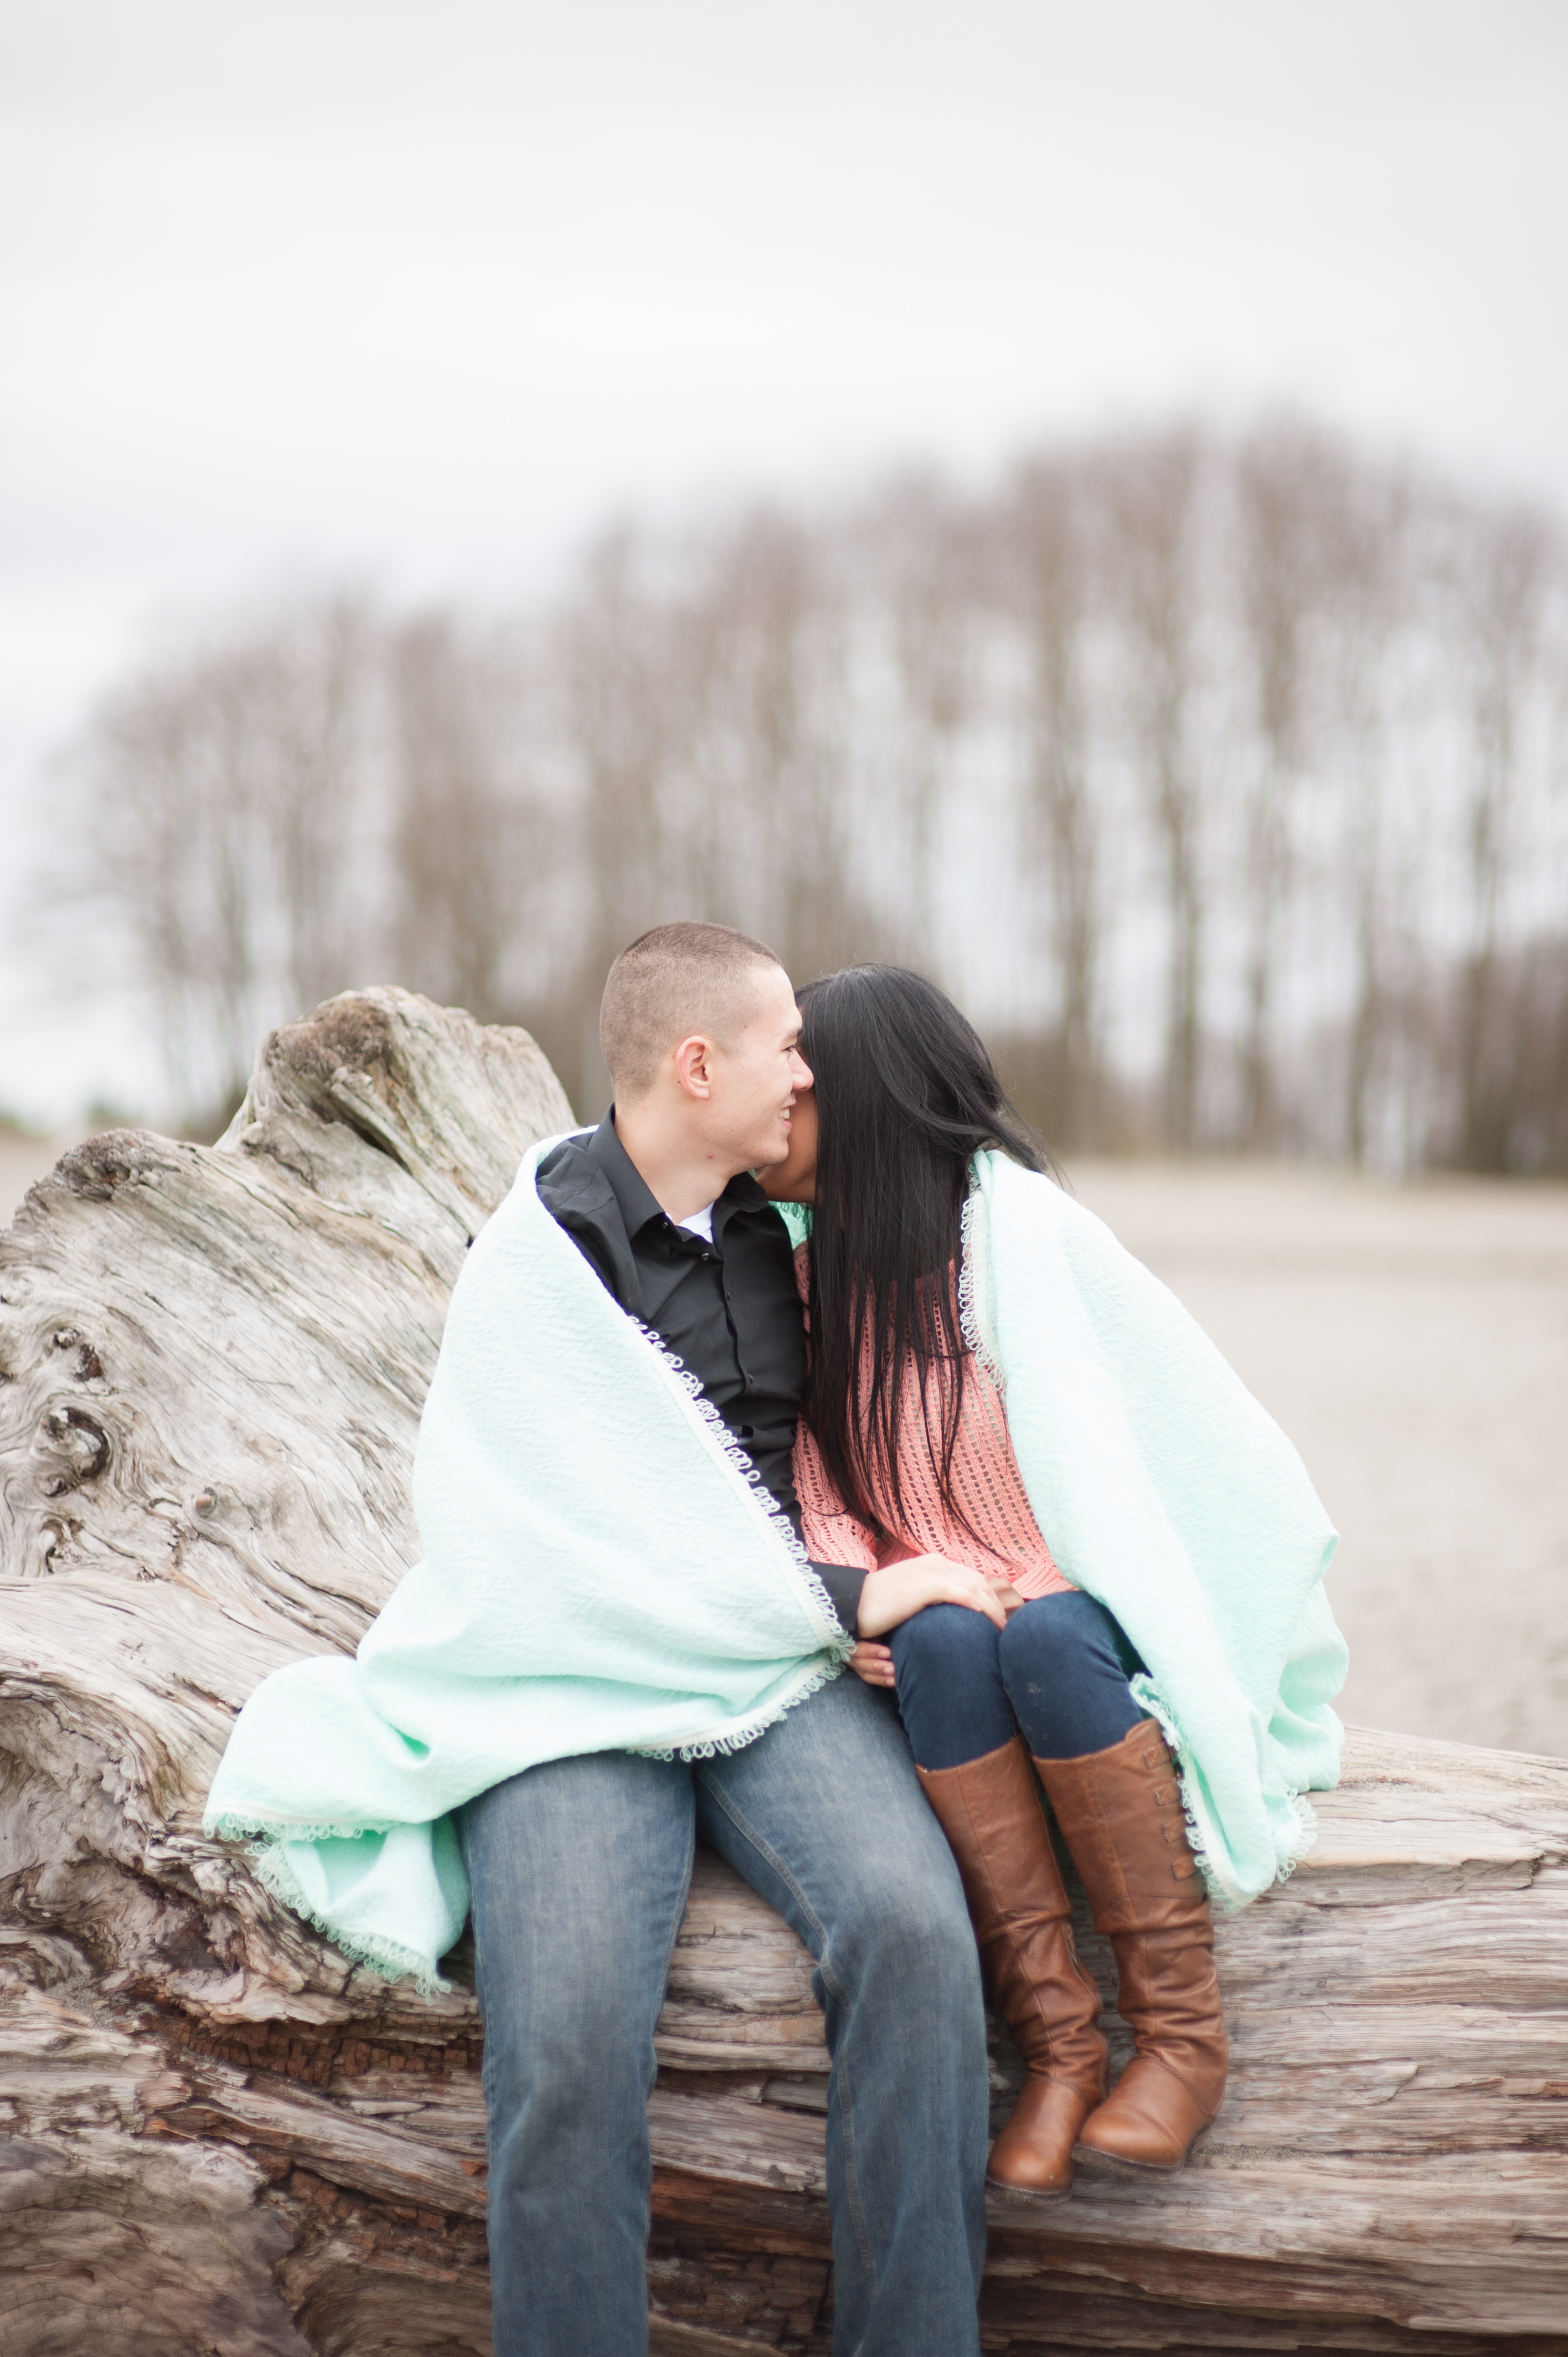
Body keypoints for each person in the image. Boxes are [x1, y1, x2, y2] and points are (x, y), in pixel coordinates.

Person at [208, 923, 997, 2357]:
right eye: (787, 1050)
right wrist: (841, 1603)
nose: (808, 1079)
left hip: (767, 1675)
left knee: (918, 1939)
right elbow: (541, 1544)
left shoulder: (782, 1230)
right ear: (699, 1066)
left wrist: (899, 1578)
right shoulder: (538, 1255)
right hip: (568, 1684)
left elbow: (866, 1442)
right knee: (564, 2035)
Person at [761, 964, 1347, 2203]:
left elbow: (1152, 1449)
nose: (778, 1112)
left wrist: (1025, 1578)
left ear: (863, 1106)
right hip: (941, 1624)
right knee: (947, 1646)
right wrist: (882, 1586)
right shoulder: (804, 1283)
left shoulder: (1022, 1240)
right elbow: (811, 1486)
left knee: (1037, 1638)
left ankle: (1183, 2041)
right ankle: (1063, 2051)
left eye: (802, 1092)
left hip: (1083, 1616)